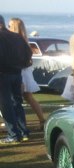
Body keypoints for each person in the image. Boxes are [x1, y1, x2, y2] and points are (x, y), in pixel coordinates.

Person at [8, 17, 46, 130]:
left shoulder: (14, 40)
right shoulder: (24, 40)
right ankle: (41, 120)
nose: (8, 28)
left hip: (18, 71)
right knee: (27, 98)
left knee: (15, 99)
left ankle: (19, 125)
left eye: (10, 26)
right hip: (24, 71)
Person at [0, 14, 31, 144]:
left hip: (3, 73)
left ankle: (13, 134)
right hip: (16, 73)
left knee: (6, 105)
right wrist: (20, 65)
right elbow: (28, 53)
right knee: (16, 102)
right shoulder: (17, 36)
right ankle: (23, 131)